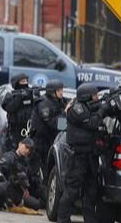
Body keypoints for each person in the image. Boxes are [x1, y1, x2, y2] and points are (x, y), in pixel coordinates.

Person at [57, 83, 110, 223]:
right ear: (86, 96)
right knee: (72, 190)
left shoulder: (89, 107)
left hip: (90, 156)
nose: (97, 98)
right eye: (95, 95)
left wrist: (110, 104)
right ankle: (62, 219)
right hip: (78, 156)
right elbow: (92, 123)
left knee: (91, 190)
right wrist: (102, 110)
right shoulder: (76, 108)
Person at [30, 79, 67, 181]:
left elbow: (62, 126)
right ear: (53, 92)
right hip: (40, 142)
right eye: (59, 90)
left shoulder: (60, 102)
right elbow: (52, 123)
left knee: (48, 171)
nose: (61, 92)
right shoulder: (43, 103)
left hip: (52, 140)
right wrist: (64, 113)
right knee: (36, 170)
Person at [0, 138, 41, 210]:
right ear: (19, 144)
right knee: (36, 204)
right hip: (8, 189)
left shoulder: (25, 162)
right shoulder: (10, 157)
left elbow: (30, 178)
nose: (27, 151)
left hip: (19, 190)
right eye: (26, 147)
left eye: (29, 150)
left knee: (40, 200)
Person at [2, 73, 34, 151]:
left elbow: (37, 109)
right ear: (16, 83)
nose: (25, 83)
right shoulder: (10, 96)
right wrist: (19, 97)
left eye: (26, 81)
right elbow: (10, 108)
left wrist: (35, 96)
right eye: (22, 81)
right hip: (15, 131)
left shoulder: (31, 94)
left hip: (29, 129)